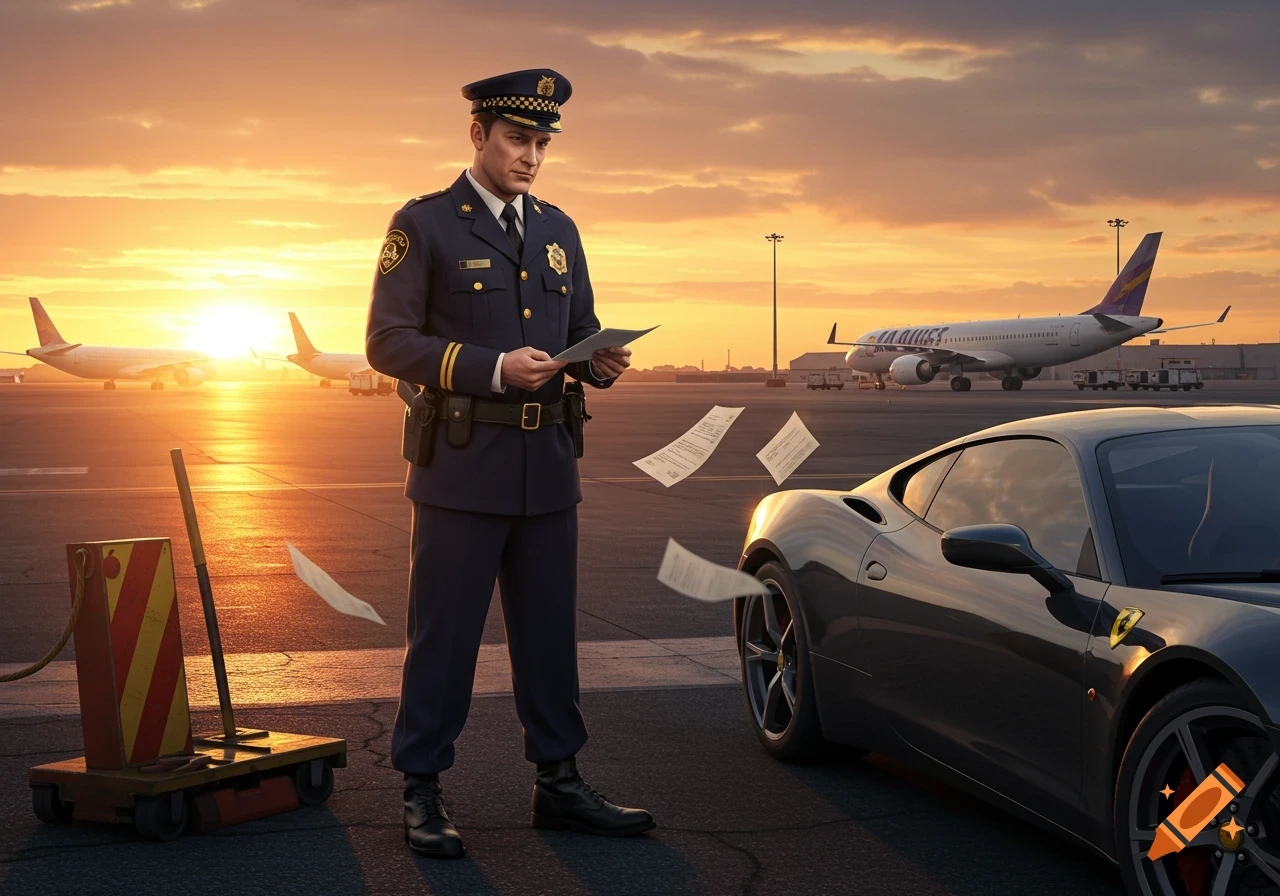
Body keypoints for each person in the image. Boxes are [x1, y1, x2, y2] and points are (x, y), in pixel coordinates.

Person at [364, 68, 654, 859]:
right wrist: (493, 368)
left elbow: (580, 326)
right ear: (478, 135)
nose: (531, 156)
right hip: (462, 466)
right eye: (518, 139)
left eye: (542, 144)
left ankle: (558, 782)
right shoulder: (425, 224)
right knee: (445, 638)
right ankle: (421, 788)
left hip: (548, 464)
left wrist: (599, 361)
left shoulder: (559, 229)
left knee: (550, 635)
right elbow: (387, 342)